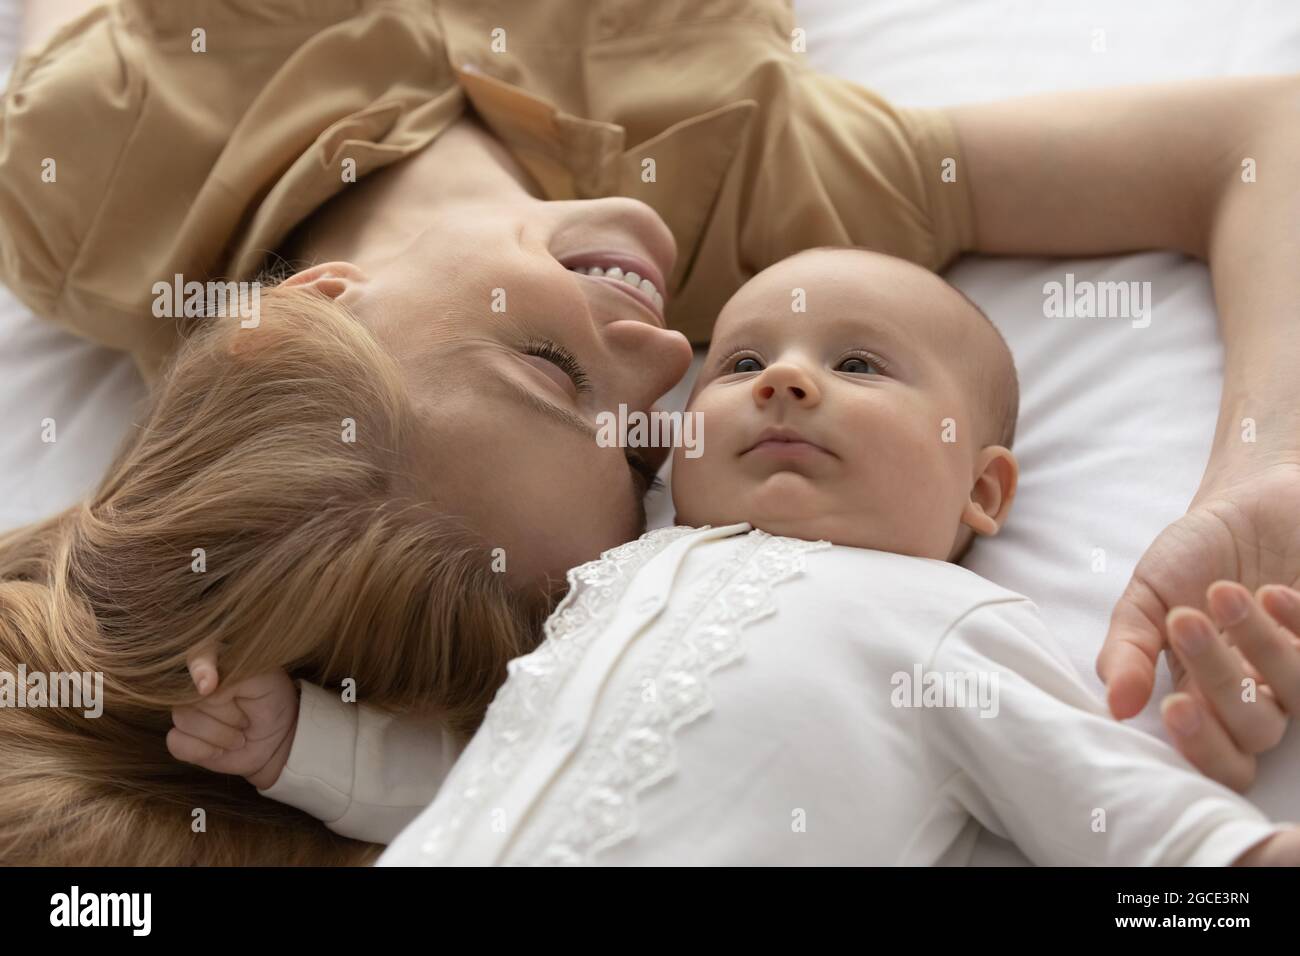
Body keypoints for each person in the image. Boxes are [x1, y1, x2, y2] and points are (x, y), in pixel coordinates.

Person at [0, 0, 1296, 863]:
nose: (668, 353)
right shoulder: (773, 204)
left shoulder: (87, 193)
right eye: (639, 447)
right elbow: (1261, 137)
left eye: (548, 362)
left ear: (304, 311)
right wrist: (1259, 482)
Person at [174, 249, 1300, 865]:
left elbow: (1098, 798)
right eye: (744, 359)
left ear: (982, 486)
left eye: (859, 365)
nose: (785, 378)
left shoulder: (942, 621)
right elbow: (486, 767)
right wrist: (302, 746)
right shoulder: (605, 587)